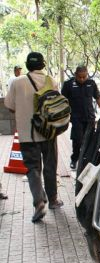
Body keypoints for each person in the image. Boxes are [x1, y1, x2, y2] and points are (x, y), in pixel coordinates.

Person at [4, 52, 63, 222]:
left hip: (27, 135)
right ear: (43, 65)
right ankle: (52, 200)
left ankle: (38, 202)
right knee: (50, 166)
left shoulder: (17, 82)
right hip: (48, 132)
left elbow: (9, 106)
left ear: (27, 65)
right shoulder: (51, 81)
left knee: (33, 169)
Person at [62, 66, 100, 169]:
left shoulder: (91, 84)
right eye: (79, 77)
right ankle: (74, 159)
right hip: (76, 117)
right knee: (77, 139)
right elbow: (63, 100)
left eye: (84, 77)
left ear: (87, 75)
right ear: (75, 75)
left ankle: (86, 160)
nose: (81, 79)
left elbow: (98, 97)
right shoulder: (68, 84)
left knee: (90, 139)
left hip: (89, 117)